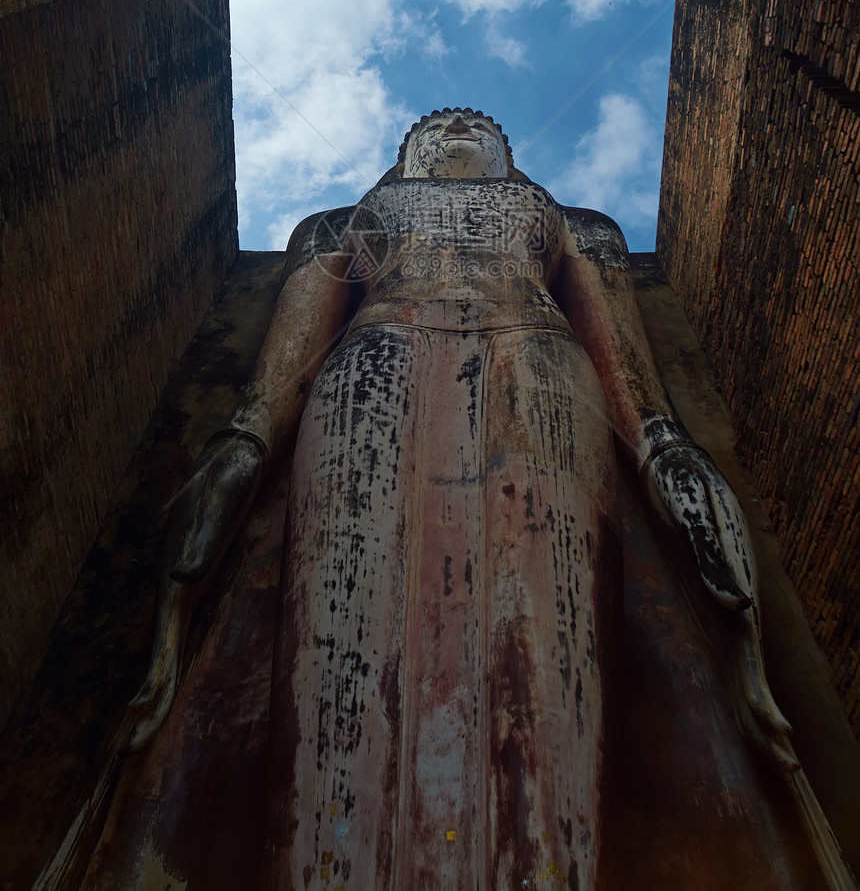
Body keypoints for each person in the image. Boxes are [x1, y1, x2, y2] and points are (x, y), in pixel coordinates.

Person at [127, 107, 796, 890]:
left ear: (506, 155)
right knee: (342, 644)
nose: (454, 132)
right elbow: (285, 364)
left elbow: (634, 383)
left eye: (475, 127)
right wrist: (243, 447)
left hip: (537, 364)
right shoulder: (343, 222)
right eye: (434, 127)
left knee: (546, 655)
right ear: (405, 150)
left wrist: (667, 452)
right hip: (377, 363)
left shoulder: (573, 224)